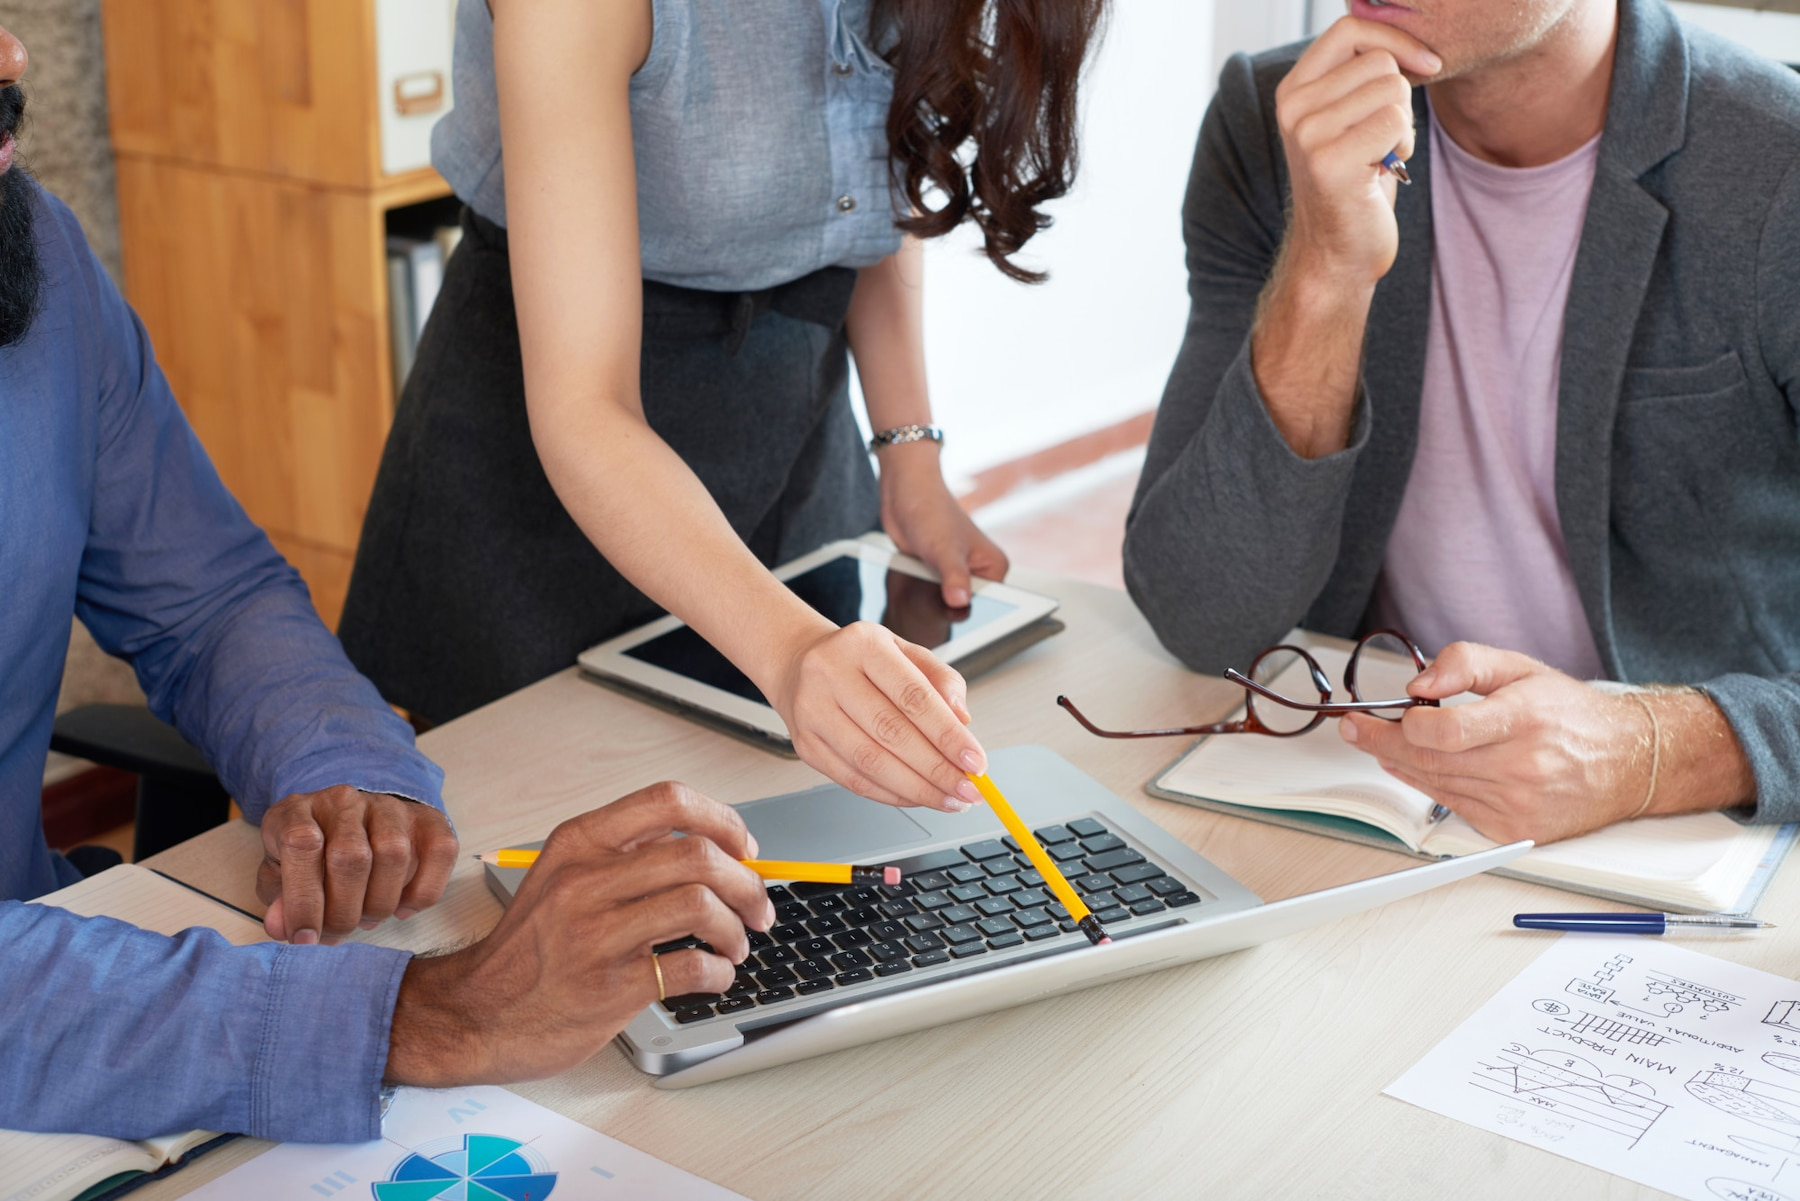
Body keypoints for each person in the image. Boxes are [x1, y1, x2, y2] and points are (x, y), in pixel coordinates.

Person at [0, 29, 770, 1141]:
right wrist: (433, 1011)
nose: (15, 54)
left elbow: (208, 601)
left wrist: (336, 766)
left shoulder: (35, 252)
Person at [337, 0, 1105, 816]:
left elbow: (862, 190)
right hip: (550, 495)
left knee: (803, 853)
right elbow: (585, 406)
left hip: (794, 439)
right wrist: (794, 648)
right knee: (573, 874)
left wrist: (909, 455)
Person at [1123, 0, 1800, 845]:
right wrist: (1325, 271)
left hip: (1688, 839)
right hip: (1370, 799)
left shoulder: (1778, 162)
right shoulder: (1280, 122)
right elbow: (1200, 617)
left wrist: (1654, 747)